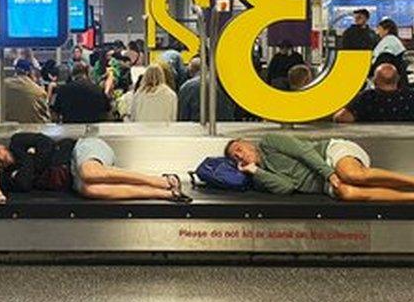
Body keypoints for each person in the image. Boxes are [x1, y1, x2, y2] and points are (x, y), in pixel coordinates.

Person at [226, 133, 414, 202]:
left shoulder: (269, 142)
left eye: (239, 149)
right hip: (324, 185)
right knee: (347, 193)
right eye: (236, 156)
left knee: (351, 175)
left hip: (329, 154)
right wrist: (256, 171)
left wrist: (329, 173)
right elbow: (287, 187)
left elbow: (303, 152)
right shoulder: (260, 178)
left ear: (247, 143)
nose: (240, 155)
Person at [71, 137, 190, 202]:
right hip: (72, 176)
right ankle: (167, 193)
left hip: (81, 149)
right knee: (92, 190)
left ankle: (161, 181)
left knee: (90, 172)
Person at [0, 132, 76, 192]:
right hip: (66, 180)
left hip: (69, 155)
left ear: (1, 146)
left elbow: (46, 143)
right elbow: (24, 184)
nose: (0, 157)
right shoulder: (8, 176)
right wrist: (29, 156)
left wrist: (30, 170)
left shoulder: (17, 142)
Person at [334, 64, 414, 123]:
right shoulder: (410, 96)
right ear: (398, 79)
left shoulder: (366, 98)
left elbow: (341, 117)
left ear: (375, 80)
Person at [177, 57, 236, 122]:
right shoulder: (226, 85)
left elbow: (182, 116)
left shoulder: (187, 87)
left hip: (195, 129)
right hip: (225, 127)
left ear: (190, 72)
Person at [2, 59, 51, 123]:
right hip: (33, 129)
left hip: (7, 129)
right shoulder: (39, 91)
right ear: (29, 72)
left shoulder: (2, 85)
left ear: (15, 71)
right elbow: (46, 115)